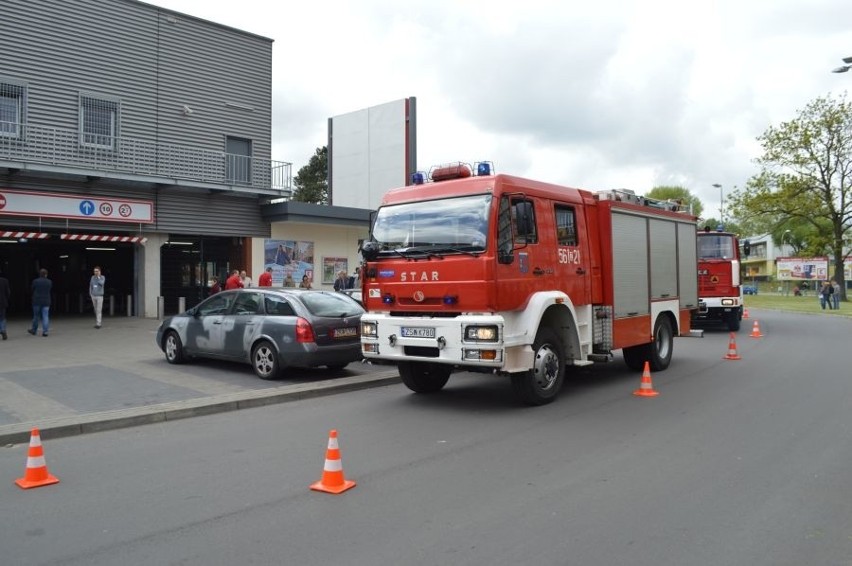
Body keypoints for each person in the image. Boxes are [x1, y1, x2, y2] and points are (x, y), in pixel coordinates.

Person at [28, 268, 52, 337]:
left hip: (36, 300)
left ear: (40, 274)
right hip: (46, 301)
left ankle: (34, 330)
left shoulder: (35, 281)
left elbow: (32, 289)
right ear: (46, 274)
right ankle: (45, 332)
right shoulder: (49, 282)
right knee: (45, 316)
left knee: (36, 316)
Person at [0, 271, 9, 340]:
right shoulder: (5, 281)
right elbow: (8, 292)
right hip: (2, 302)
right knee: (2, 317)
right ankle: (3, 330)